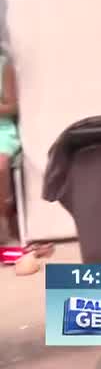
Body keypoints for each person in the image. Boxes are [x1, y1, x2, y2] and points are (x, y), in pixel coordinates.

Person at [0, 52, 20, 245]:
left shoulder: (3, 64)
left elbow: (12, 107)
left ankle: (3, 222)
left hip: (2, 130)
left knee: (0, 165)